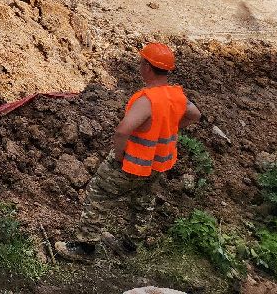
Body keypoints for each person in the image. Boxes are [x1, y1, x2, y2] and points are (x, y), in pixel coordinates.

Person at [55, 43, 202, 263]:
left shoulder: (147, 100)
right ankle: (129, 247)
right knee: (143, 201)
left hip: (132, 163)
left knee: (99, 193)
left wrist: (118, 154)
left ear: (148, 67)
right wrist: (172, 128)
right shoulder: (177, 96)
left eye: (142, 62)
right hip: (157, 164)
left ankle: (85, 248)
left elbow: (123, 130)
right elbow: (195, 114)